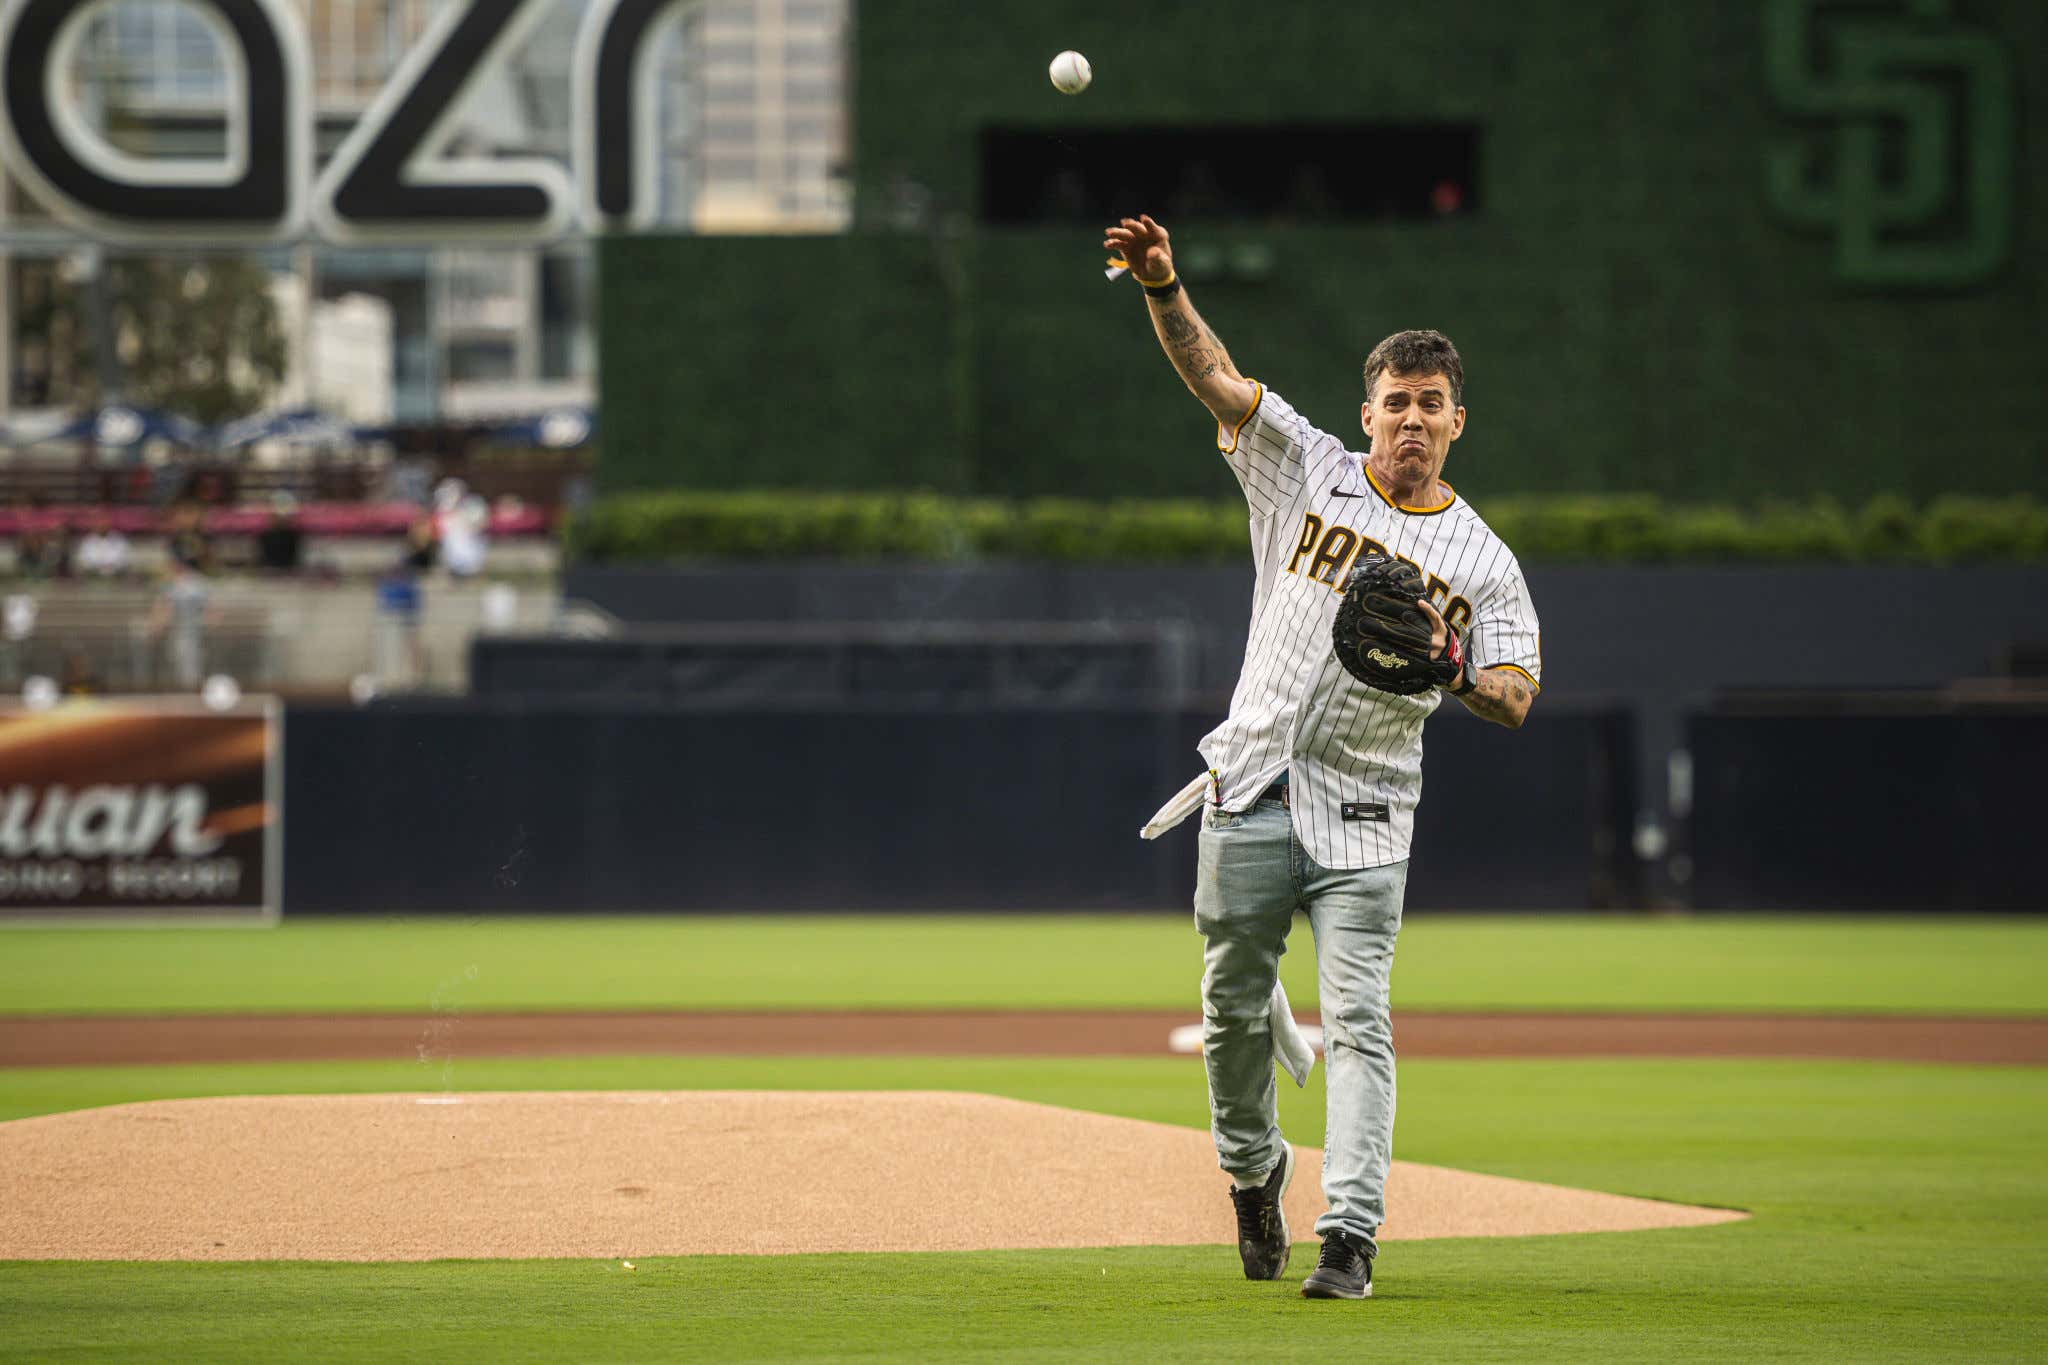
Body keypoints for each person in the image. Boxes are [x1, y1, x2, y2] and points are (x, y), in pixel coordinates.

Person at [1105, 214, 1542, 1301]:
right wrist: (1162, 286)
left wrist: (1448, 672)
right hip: (1249, 782)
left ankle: (1349, 1233)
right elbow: (1213, 378)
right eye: (1393, 401)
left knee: (1357, 1020)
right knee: (1229, 1013)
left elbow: (1518, 693)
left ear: (1456, 423)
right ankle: (1253, 1175)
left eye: (1428, 404)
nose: (1409, 419)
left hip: (1366, 813)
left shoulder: (1482, 562)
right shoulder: (1303, 465)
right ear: (1366, 414)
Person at [75, 511, 134, 579]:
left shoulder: (119, 540)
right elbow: (84, 559)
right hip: (93, 575)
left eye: (105, 524)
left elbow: (125, 558)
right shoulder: (88, 541)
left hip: (116, 576)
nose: (102, 526)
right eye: (100, 524)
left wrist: (111, 567)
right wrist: (98, 568)